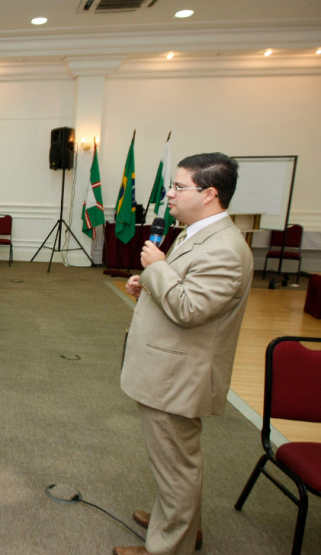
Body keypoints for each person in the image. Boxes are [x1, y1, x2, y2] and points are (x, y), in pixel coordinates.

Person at [115, 153, 253, 555]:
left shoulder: (225, 248)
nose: (169, 194)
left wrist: (157, 268)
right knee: (173, 461)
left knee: (177, 468)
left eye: (178, 186)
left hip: (179, 376)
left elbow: (190, 310)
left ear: (209, 194)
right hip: (169, 367)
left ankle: (169, 545)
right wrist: (152, 282)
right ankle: (176, 521)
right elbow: (187, 292)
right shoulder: (198, 232)